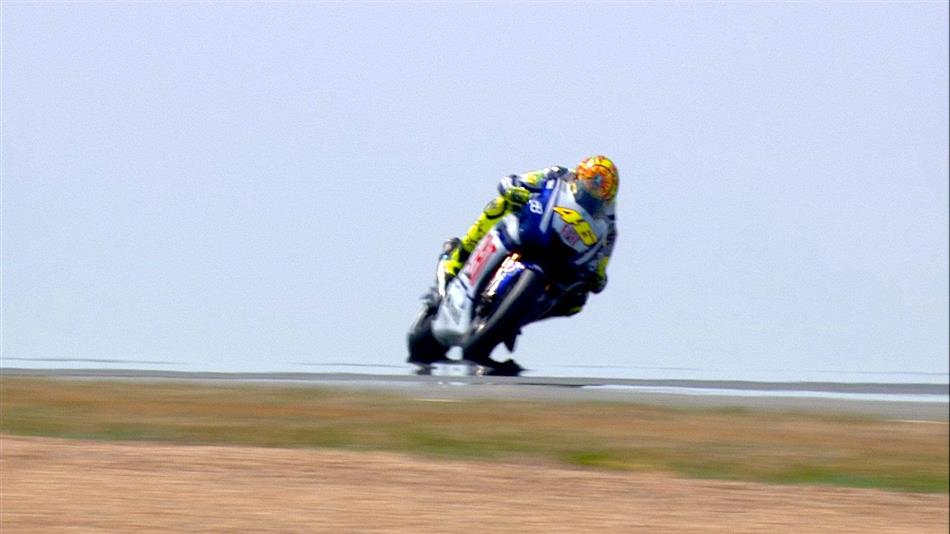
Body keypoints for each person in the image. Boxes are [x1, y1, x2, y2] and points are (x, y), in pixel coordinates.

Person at [438, 155, 618, 317]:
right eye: (592, 179)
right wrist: (515, 188)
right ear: (580, 175)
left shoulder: (608, 219)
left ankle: (517, 321)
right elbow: (520, 180)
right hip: (537, 227)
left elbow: (605, 252)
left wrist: (599, 274)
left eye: (602, 186)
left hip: (566, 256)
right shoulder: (559, 174)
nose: (595, 185)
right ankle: (458, 258)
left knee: (577, 301)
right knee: (499, 205)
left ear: (609, 194)